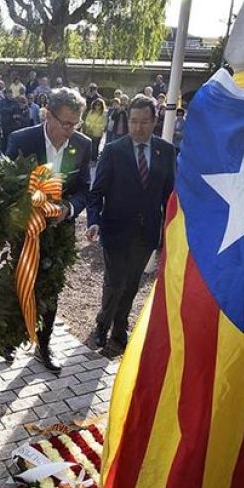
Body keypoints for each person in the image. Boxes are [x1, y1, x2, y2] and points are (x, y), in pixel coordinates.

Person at [4, 87, 92, 373]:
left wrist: (69, 208)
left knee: (51, 291)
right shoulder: (21, 140)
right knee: (20, 284)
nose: (69, 130)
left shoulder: (83, 144)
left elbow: (83, 190)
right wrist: (27, 208)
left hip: (59, 233)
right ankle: (11, 339)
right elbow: (5, 187)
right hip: (25, 232)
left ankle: (44, 345)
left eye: (75, 124)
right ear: (48, 115)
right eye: (65, 123)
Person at [86, 95, 176, 352]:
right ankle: (102, 325)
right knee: (115, 282)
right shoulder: (114, 151)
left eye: (145, 122)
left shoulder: (166, 151)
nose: (138, 127)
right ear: (128, 120)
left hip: (146, 232)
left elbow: (171, 195)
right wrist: (94, 222)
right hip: (115, 229)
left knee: (132, 283)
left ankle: (120, 327)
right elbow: (96, 193)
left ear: (155, 120)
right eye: (134, 121)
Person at [83, 97, 107, 163]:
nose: (97, 106)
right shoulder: (91, 112)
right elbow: (87, 120)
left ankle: (94, 160)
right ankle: (88, 159)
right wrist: (89, 126)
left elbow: (103, 124)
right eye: (96, 104)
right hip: (89, 131)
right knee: (88, 146)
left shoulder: (103, 113)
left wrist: (94, 126)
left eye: (99, 105)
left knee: (95, 147)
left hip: (97, 133)